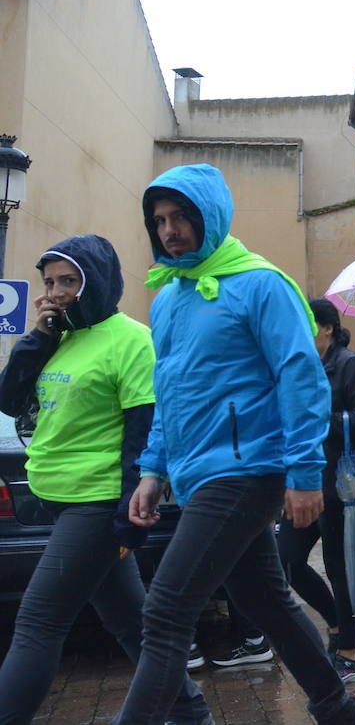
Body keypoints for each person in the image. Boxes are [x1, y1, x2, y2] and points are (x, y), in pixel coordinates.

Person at [117, 163, 355, 724]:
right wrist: (153, 469)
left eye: (182, 215)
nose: (170, 230)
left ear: (211, 214)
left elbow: (301, 377)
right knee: (269, 605)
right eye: (159, 220)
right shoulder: (168, 299)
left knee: (164, 610)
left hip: (247, 469)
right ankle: (341, 713)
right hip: (199, 472)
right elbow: (168, 393)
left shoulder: (261, 283)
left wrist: (304, 473)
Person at [0, 235, 212, 725]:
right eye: (49, 281)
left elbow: (144, 432)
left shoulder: (131, 340)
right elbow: (10, 402)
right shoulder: (59, 337)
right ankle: (190, 713)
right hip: (57, 499)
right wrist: (38, 339)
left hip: (96, 504)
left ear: (94, 282)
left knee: (38, 623)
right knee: (130, 623)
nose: (55, 291)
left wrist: (127, 518)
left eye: (68, 280)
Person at [272, 298, 355, 682]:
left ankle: (350, 654)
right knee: (288, 560)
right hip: (303, 481)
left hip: (341, 486)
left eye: (305, 323)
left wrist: (322, 419)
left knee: (341, 569)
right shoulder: (301, 366)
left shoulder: (351, 365)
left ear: (326, 328)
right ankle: (338, 625)